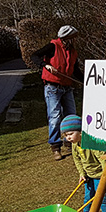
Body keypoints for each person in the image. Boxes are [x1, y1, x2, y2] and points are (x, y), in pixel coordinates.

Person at [31, 25, 81, 161]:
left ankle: (70, 143)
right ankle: (55, 146)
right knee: (55, 117)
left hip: (67, 87)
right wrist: (45, 65)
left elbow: (75, 70)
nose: (74, 40)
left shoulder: (73, 51)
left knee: (71, 115)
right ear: (66, 37)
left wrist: (86, 81)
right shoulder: (53, 46)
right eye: (73, 37)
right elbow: (34, 56)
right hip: (52, 87)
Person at [60, 114, 106, 212]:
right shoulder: (75, 145)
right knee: (87, 199)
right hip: (89, 176)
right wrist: (82, 173)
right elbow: (77, 160)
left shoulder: (92, 143)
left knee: (102, 199)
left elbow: (104, 160)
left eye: (70, 134)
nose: (68, 138)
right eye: (66, 135)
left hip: (100, 175)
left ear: (81, 131)